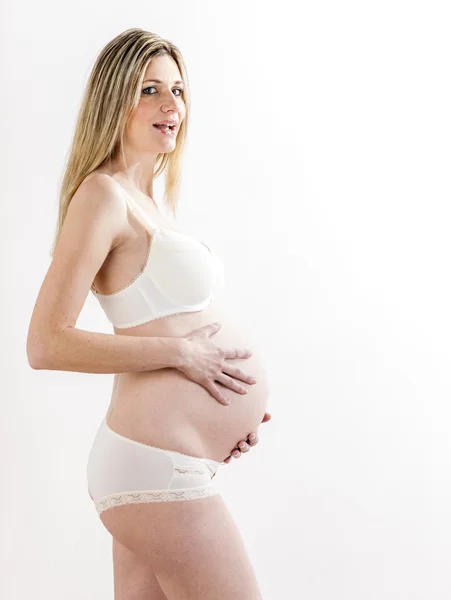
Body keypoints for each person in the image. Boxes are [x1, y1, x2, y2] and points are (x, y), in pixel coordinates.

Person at [26, 27, 271, 600]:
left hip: (163, 462)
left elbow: (162, 319)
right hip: (155, 466)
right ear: (115, 100)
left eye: (178, 90)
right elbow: (46, 343)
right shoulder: (103, 196)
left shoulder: (150, 203)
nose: (172, 106)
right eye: (150, 90)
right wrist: (185, 355)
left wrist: (227, 414)